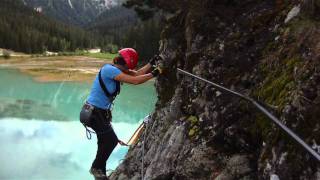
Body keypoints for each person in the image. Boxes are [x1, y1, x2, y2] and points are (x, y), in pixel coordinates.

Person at [81, 48, 162, 180]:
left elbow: (136, 74)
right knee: (111, 141)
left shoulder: (117, 69)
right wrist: (155, 73)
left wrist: (150, 64)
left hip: (98, 113)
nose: (129, 70)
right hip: (94, 113)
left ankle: (100, 174)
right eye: (128, 67)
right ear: (124, 64)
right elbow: (135, 80)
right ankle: (96, 168)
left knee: (104, 142)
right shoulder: (109, 70)